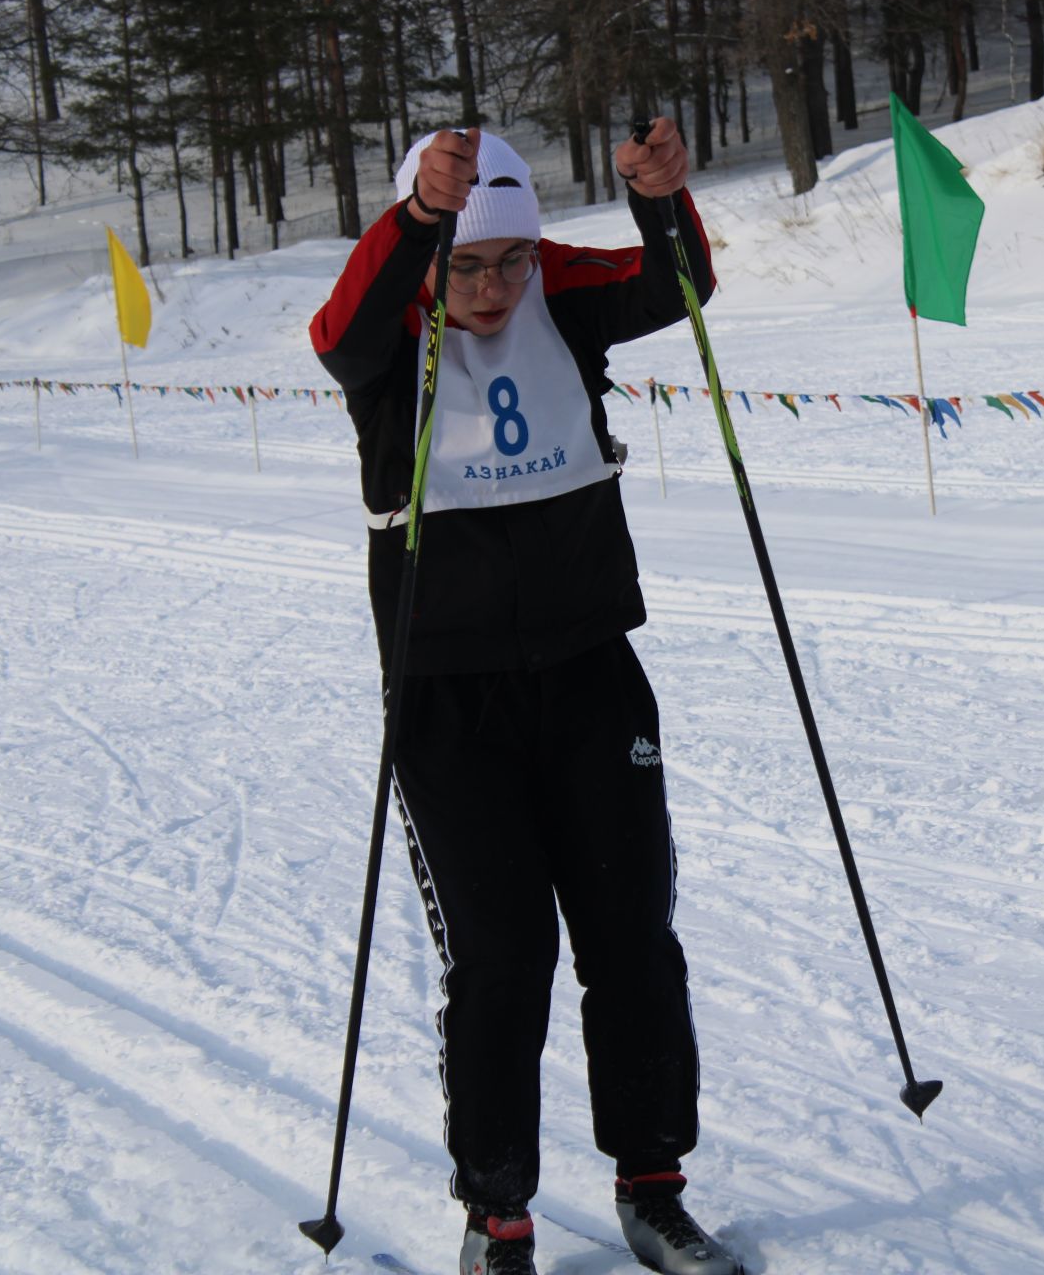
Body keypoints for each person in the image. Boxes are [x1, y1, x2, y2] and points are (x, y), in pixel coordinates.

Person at [309, 120, 741, 1275]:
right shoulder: (392, 336)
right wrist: (412, 228)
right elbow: (335, 336)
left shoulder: (559, 291)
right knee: (502, 955)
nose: (494, 289)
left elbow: (682, 280)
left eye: (510, 263)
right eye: (468, 267)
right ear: (432, 260)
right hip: (451, 697)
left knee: (632, 937)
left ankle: (656, 1186)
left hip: (592, 669)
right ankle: (496, 1209)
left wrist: (659, 199)